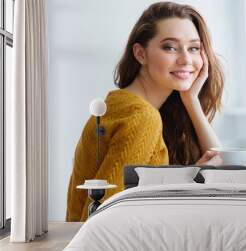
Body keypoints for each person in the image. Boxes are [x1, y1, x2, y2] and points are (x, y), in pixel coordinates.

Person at [66, 1, 224, 221]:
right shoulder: (140, 117)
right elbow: (103, 215)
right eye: (170, 47)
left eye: (194, 48)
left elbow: (224, 166)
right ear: (141, 54)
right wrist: (190, 182)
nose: (186, 59)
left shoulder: (125, 106)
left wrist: (191, 102)